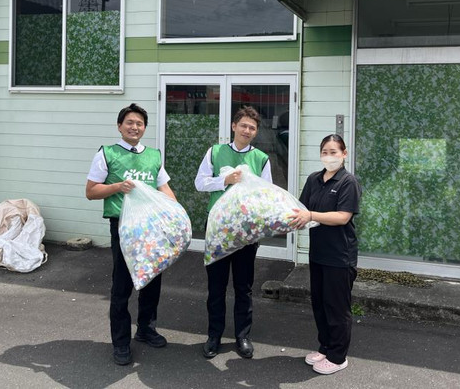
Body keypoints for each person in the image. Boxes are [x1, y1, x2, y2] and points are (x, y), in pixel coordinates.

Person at [86, 103, 177, 366]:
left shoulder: (153, 156)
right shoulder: (107, 154)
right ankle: (121, 342)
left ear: (144, 128)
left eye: (139, 123)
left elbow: (164, 189)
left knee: (151, 280)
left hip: (151, 227)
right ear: (119, 126)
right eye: (129, 122)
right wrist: (117, 186)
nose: (134, 127)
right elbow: (91, 191)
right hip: (123, 227)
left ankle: (146, 329)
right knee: (123, 285)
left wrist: (176, 213)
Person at [195, 106, 272, 359]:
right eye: (243, 125)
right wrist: (225, 181)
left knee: (243, 286)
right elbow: (200, 183)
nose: (247, 130)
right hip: (218, 227)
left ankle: (242, 336)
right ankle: (214, 336)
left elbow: (266, 194)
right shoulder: (215, 152)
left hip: (245, 230)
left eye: (252, 127)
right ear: (233, 126)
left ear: (255, 131)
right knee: (216, 286)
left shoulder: (261, 158)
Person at [290, 134, 361, 375]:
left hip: (340, 256)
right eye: (325, 152)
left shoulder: (348, 182)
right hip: (318, 253)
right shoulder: (314, 179)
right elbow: (301, 209)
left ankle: (338, 356)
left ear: (344, 154)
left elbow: (343, 216)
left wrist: (310, 216)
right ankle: (326, 347)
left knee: (337, 307)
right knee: (319, 303)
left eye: (334, 152)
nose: (329, 156)